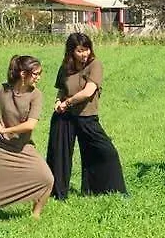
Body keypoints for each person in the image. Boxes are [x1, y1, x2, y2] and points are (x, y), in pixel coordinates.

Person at [0, 55, 55, 228]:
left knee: (47, 178)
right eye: (36, 74)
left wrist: (6, 130)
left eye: (40, 73)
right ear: (23, 74)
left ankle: (36, 215)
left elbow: (30, 125)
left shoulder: (36, 95)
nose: (39, 77)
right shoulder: (2, 90)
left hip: (23, 146)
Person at [46, 32, 127, 199]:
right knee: (58, 154)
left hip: (86, 116)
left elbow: (88, 91)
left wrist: (67, 103)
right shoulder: (65, 67)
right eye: (80, 51)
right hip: (65, 116)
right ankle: (57, 193)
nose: (84, 54)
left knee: (106, 152)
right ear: (71, 52)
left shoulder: (94, 65)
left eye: (86, 49)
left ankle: (109, 190)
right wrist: (57, 102)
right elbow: (61, 89)